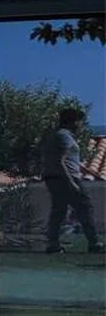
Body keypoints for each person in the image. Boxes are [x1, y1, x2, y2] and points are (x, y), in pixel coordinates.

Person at [41, 106, 102, 254]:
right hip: (66, 179)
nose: (81, 125)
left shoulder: (58, 135)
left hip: (55, 178)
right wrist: (71, 182)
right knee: (85, 208)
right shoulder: (65, 136)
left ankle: (53, 244)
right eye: (80, 122)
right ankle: (94, 243)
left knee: (59, 211)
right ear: (72, 121)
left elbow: (72, 161)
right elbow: (60, 161)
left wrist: (90, 172)